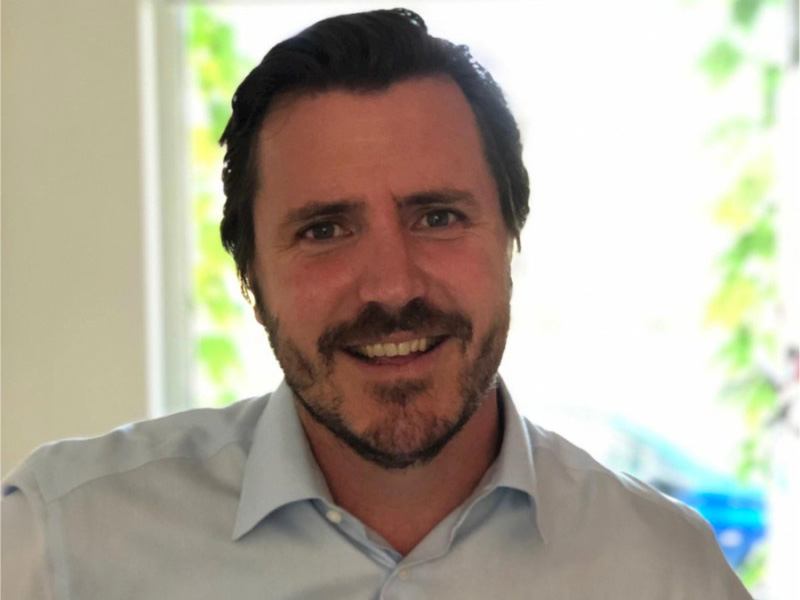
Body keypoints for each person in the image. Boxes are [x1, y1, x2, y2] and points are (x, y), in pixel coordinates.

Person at [2, 8, 752, 599]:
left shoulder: (666, 571)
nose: (393, 287)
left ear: (511, 240)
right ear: (251, 277)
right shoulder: (62, 541)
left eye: (438, 217)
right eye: (324, 230)